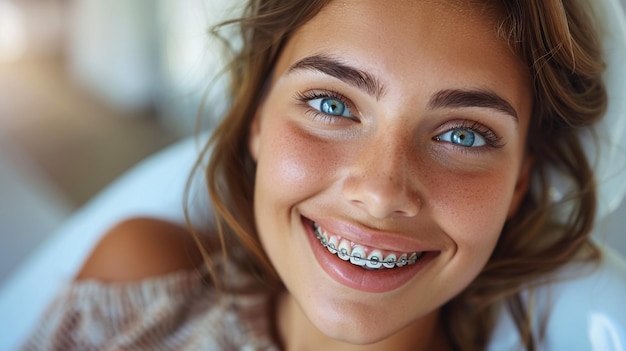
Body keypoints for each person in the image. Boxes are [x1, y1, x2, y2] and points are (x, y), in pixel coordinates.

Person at [23, 0, 609, 350]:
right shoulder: (140, 284)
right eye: (332, 104)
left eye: (464, 134)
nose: (380, 194)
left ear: (519, 184)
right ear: (256, 118)